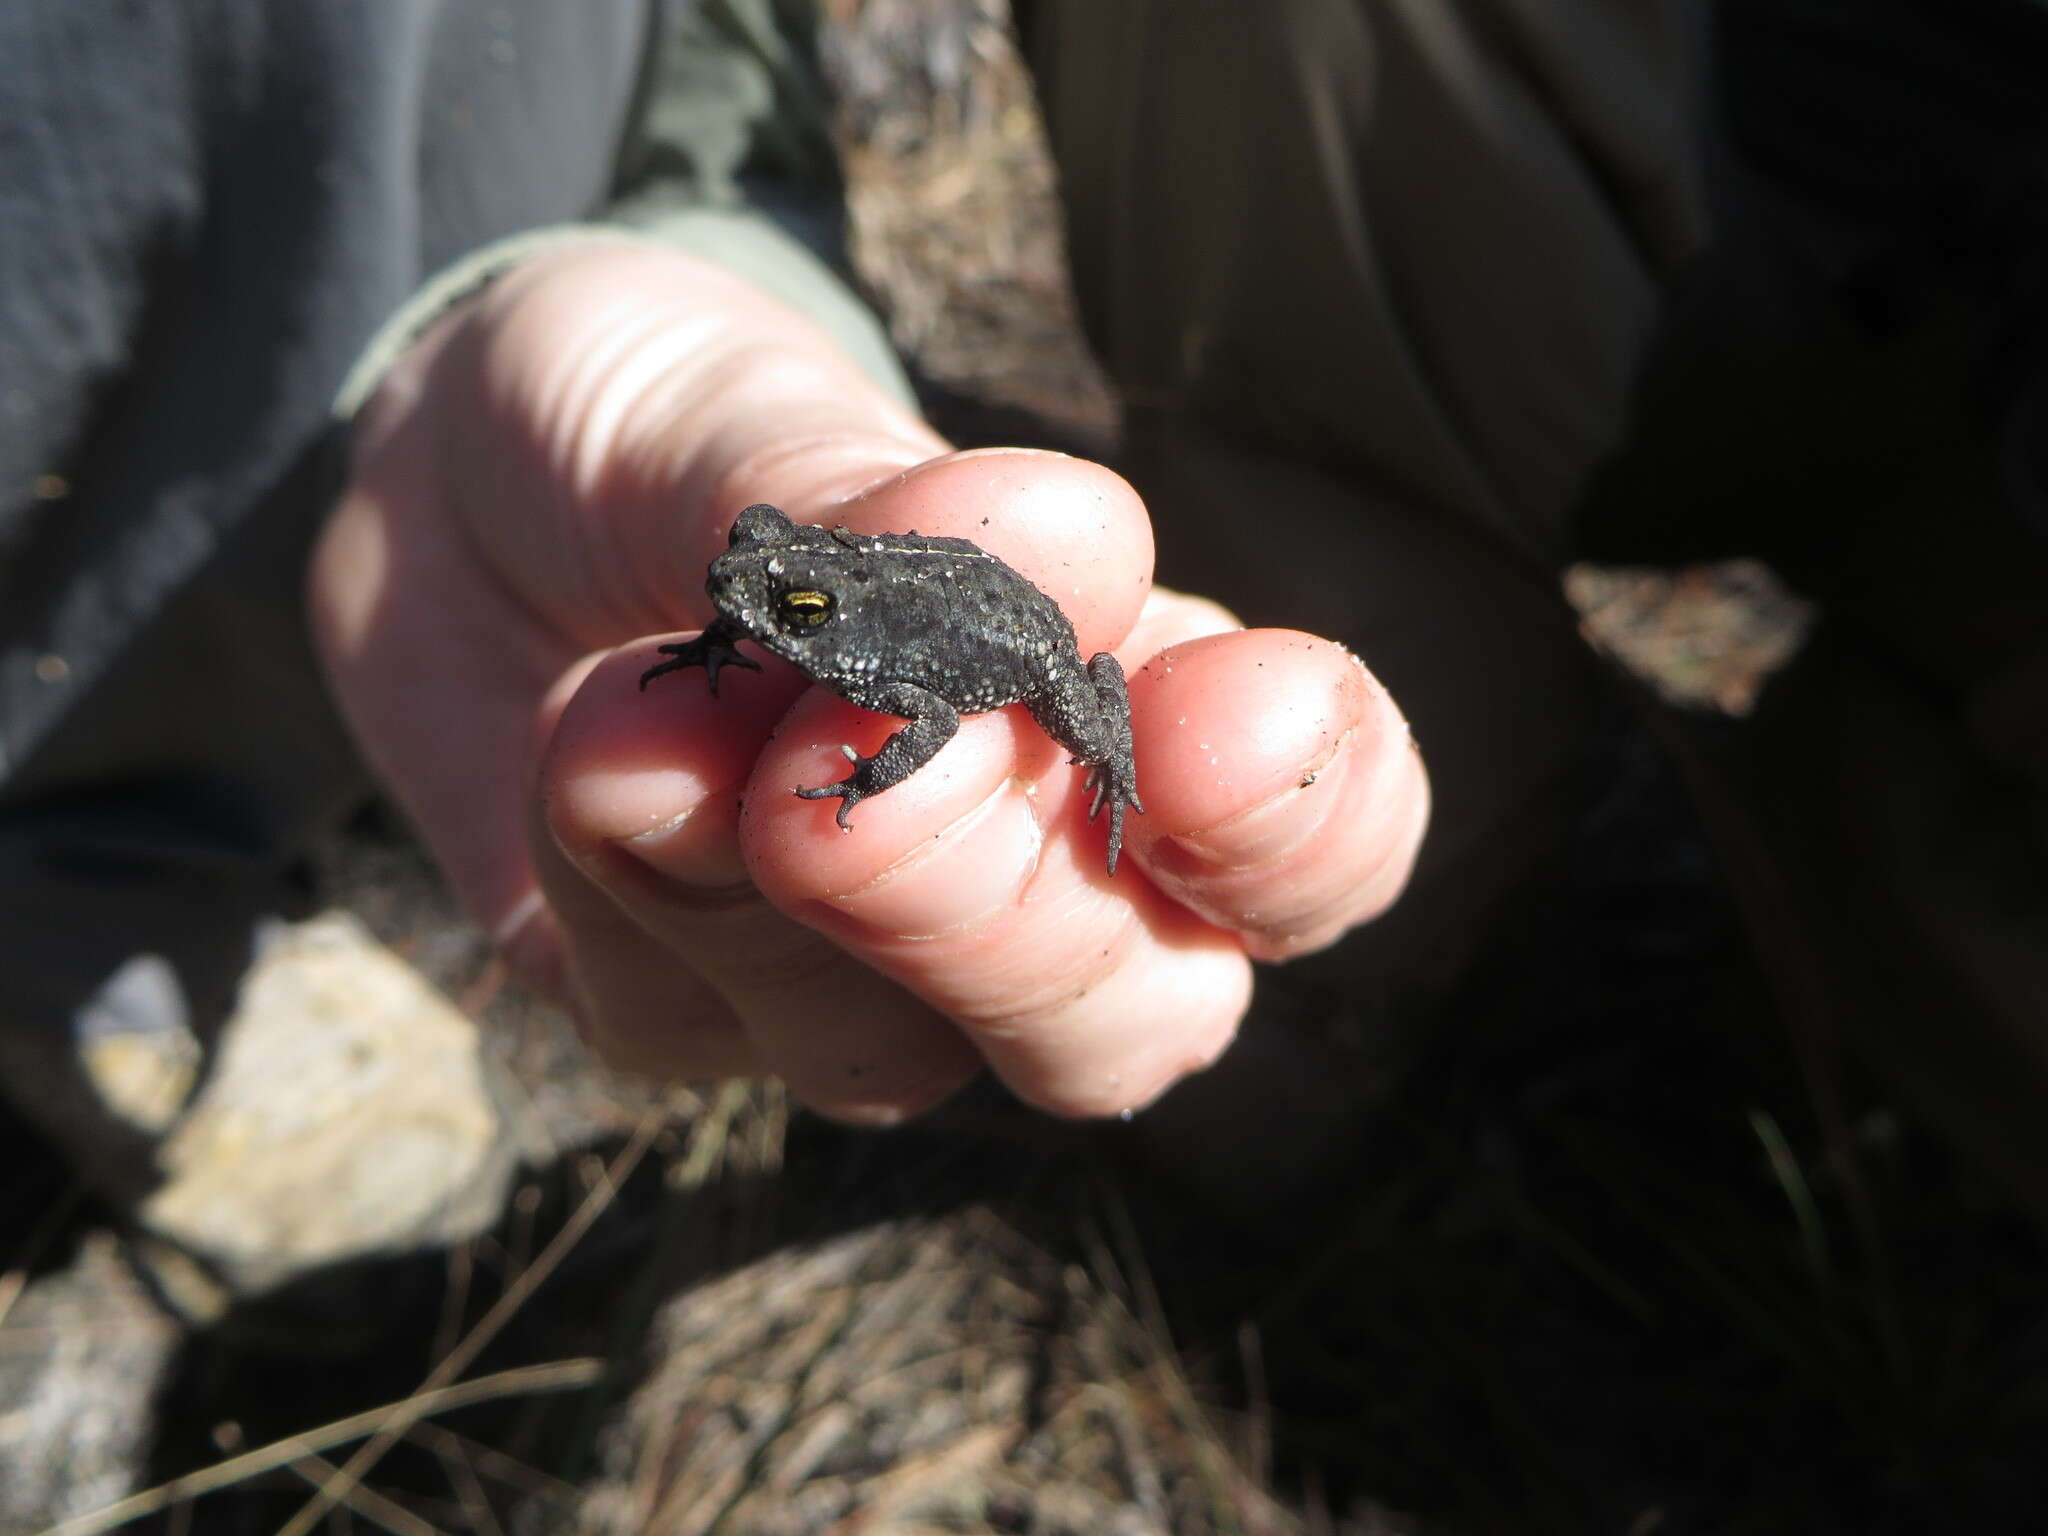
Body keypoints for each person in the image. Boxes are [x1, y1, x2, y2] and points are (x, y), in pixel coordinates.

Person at [4, 0, 2046, 1222]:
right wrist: (731, 567)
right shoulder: (792, 608)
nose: (748, 609)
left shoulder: (861, 639)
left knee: (1100, 747)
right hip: (925, 579)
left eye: (765, 596)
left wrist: (893, 730)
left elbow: (906, 692)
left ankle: (1283, 1036)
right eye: (759, 597)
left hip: (988, 629)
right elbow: (815, 627)